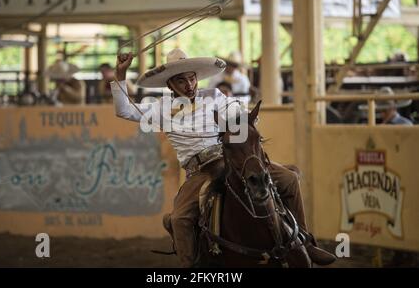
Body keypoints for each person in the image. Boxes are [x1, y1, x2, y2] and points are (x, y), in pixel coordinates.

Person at [112, 48, 336, 267]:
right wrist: (120, 75)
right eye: (181, 81)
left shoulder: (215, 97)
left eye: (191, 79)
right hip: (201, 171)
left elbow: (238, 113)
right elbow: (123, 110)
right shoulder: (161, 108)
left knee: (288, 179)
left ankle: (304, 241)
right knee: (180, 218)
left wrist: (242, 119)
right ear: (170, 84)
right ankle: (191, 265)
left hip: (231, 158)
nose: (189, 85)